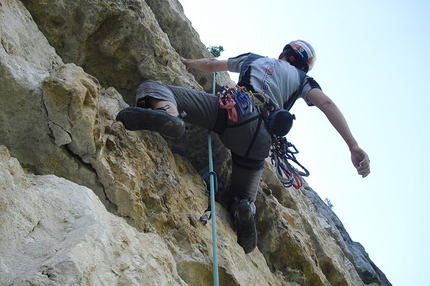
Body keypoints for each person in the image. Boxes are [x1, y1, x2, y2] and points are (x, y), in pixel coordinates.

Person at [116, 40, 371, 254]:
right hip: (262, 140)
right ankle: (245, 208)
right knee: (242, 197)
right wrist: (353, 146)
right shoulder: (304, 80)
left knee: (155, 87)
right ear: (303, 64)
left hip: (232, 112)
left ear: (284, 53)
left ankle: (168, 114)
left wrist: (188, 62)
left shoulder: (254, 58)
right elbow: (327, 104)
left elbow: (211, 65)